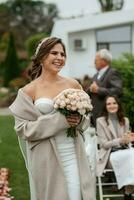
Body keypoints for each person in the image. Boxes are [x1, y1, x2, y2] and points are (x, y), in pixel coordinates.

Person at [9, 37, 96, 200]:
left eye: (62, 54)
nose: (60, 58)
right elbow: (23, 129)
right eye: (54, 53)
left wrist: (79, 121)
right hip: (45, 158)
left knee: (77, 194)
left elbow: (85, 120)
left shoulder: (73, 85)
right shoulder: (28, 91)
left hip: (73, 154)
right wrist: (60, 121)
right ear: (42, 57)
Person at [96, 95, 134, 200]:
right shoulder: (100, 121)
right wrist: (120, 140)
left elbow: (125, 141)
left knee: (131, 157)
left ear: (118, 105)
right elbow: (104, 144)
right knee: (131, 158)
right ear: (105, 106)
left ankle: (128, 193)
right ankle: (128, 193)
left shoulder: (125, 120)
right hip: (109, 155)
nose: (112, 105)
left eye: (114, 103)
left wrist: (128, 139)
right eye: (109, 104)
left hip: (125, 152)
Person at [88, 49, 123, 127]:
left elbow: (118, 90)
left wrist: (98, 90)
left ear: (104, 61)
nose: (94, 62)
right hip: (96, 116)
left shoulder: (113, 72)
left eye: (96, 60)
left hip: (108, 116)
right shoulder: (96, 75)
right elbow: (90, 91)